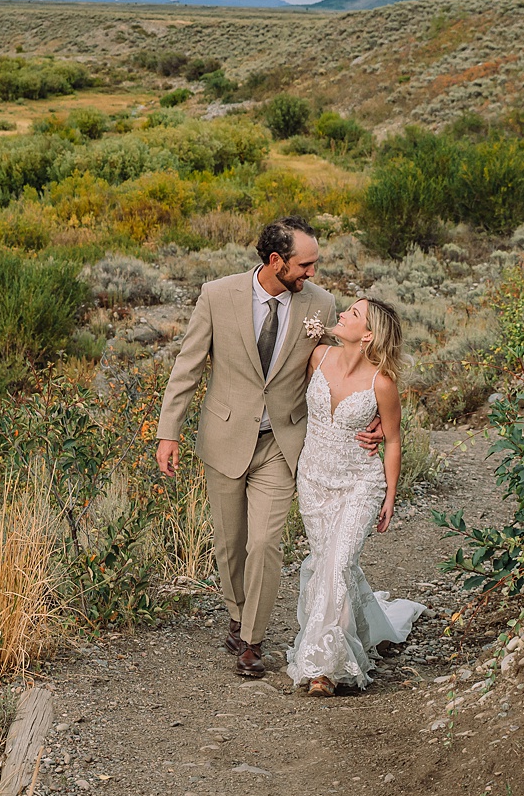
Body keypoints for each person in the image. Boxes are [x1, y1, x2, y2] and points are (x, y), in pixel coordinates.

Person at [155, 217, 379, 677]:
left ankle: (253, 640)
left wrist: (373, 412)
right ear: (276, 260)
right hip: (224, 438)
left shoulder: (320, 303)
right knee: (230, 544)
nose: (312, 273)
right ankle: (237, 615)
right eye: (305, 264)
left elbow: (349, 363)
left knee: (265, 542)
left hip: (282, 440)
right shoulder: (217, 295)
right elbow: (189, 365)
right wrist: (168, 430)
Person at [286, 298, 426, 696]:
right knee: (327, 563)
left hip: (360, 485)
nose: (343, 313)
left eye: (353, 313)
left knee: (339, 563)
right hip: (313, 481)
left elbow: (395, 441)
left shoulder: (381, 382)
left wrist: (390, 495)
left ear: (368, 335)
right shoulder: (317, 357)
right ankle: (366, 629)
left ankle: (324, 668)